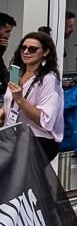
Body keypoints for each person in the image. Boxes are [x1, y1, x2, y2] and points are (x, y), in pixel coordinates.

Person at [6, 31, 64, 166]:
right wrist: (4, 111)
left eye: (32, 49)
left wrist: (20, 100)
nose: (26, 52)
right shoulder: (18, 73)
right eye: (23, 48)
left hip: (37, 140)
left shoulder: (49, 79)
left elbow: (45, 121)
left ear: (45, 52)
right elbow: (11, 102)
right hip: (13, 136)